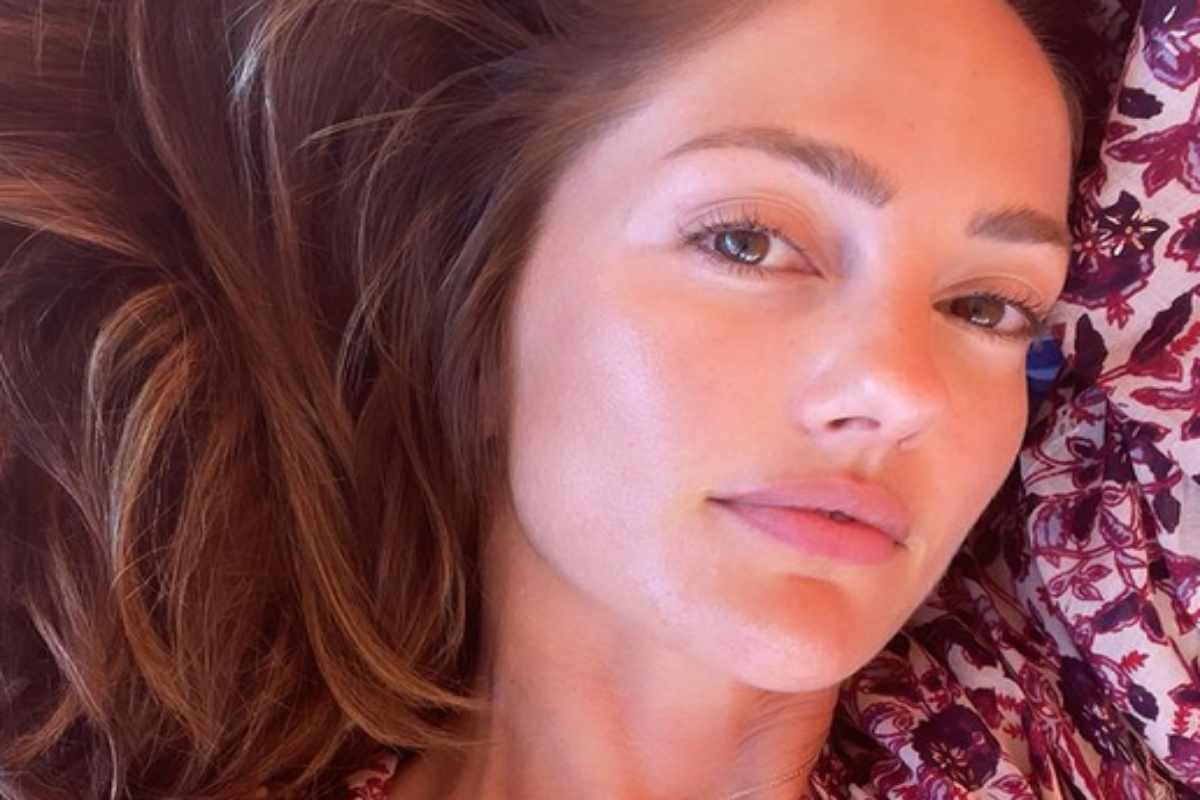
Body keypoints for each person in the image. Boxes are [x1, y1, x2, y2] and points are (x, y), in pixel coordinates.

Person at [0, 1, 1195, 798]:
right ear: (481, 320)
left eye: (987, 306)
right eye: (747, 240)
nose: (900, 387)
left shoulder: (1116, 684)